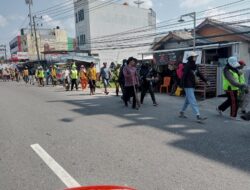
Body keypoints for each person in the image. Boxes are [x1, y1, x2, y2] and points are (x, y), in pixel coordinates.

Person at [179, 52, 209, 122]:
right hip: (187, 85)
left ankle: (182, 112)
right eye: (194, 56)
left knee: (187, 101)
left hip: (192, 85)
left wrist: (205, 80)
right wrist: (181, 84)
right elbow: (184, 75)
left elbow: (199, 74)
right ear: (190, 57)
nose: (195, 58)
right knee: (193, 100)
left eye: (196, 56)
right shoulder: (187, 65)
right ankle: (198, 115)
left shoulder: (195, 66)